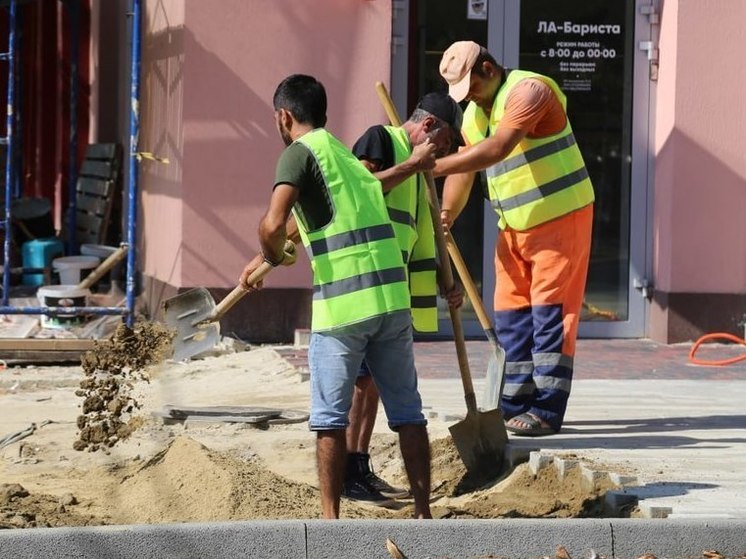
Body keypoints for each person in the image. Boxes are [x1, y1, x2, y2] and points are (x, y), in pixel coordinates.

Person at [239, 74, 432, 519]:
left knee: (329, 418)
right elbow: (313, 221)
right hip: (390, 302)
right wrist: (261, 260)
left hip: (344, 308)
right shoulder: (343, 155)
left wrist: (272, 251)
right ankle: (423, 515)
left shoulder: (297, 154)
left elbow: (271, 224)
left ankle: (329, 520)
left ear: (283, 116)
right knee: (407, 411)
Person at [433, 41, 595, 437]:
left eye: (471, 86)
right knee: (511, 315)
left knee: (549, 316)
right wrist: (447, 213)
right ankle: (515, 401)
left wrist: (429, 166)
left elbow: (498, 149)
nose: (469, 97)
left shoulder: (530, 91)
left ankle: (546, 408)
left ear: (488, 68)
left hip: (560, 217)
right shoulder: (474, 114)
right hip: (514, 227)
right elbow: (466, 171)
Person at [343, 93, 465, 503]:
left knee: (371, 382)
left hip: (390, 292)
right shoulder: (380, 140)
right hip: (362, 282)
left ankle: (358, 466)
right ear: (428, 126)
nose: (443, 154)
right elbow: (357, 193)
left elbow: (416, 236)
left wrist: (442, 282)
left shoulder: (420, 176)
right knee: (360, 382)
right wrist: (412, 164)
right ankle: (347, 470)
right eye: (444, 143)